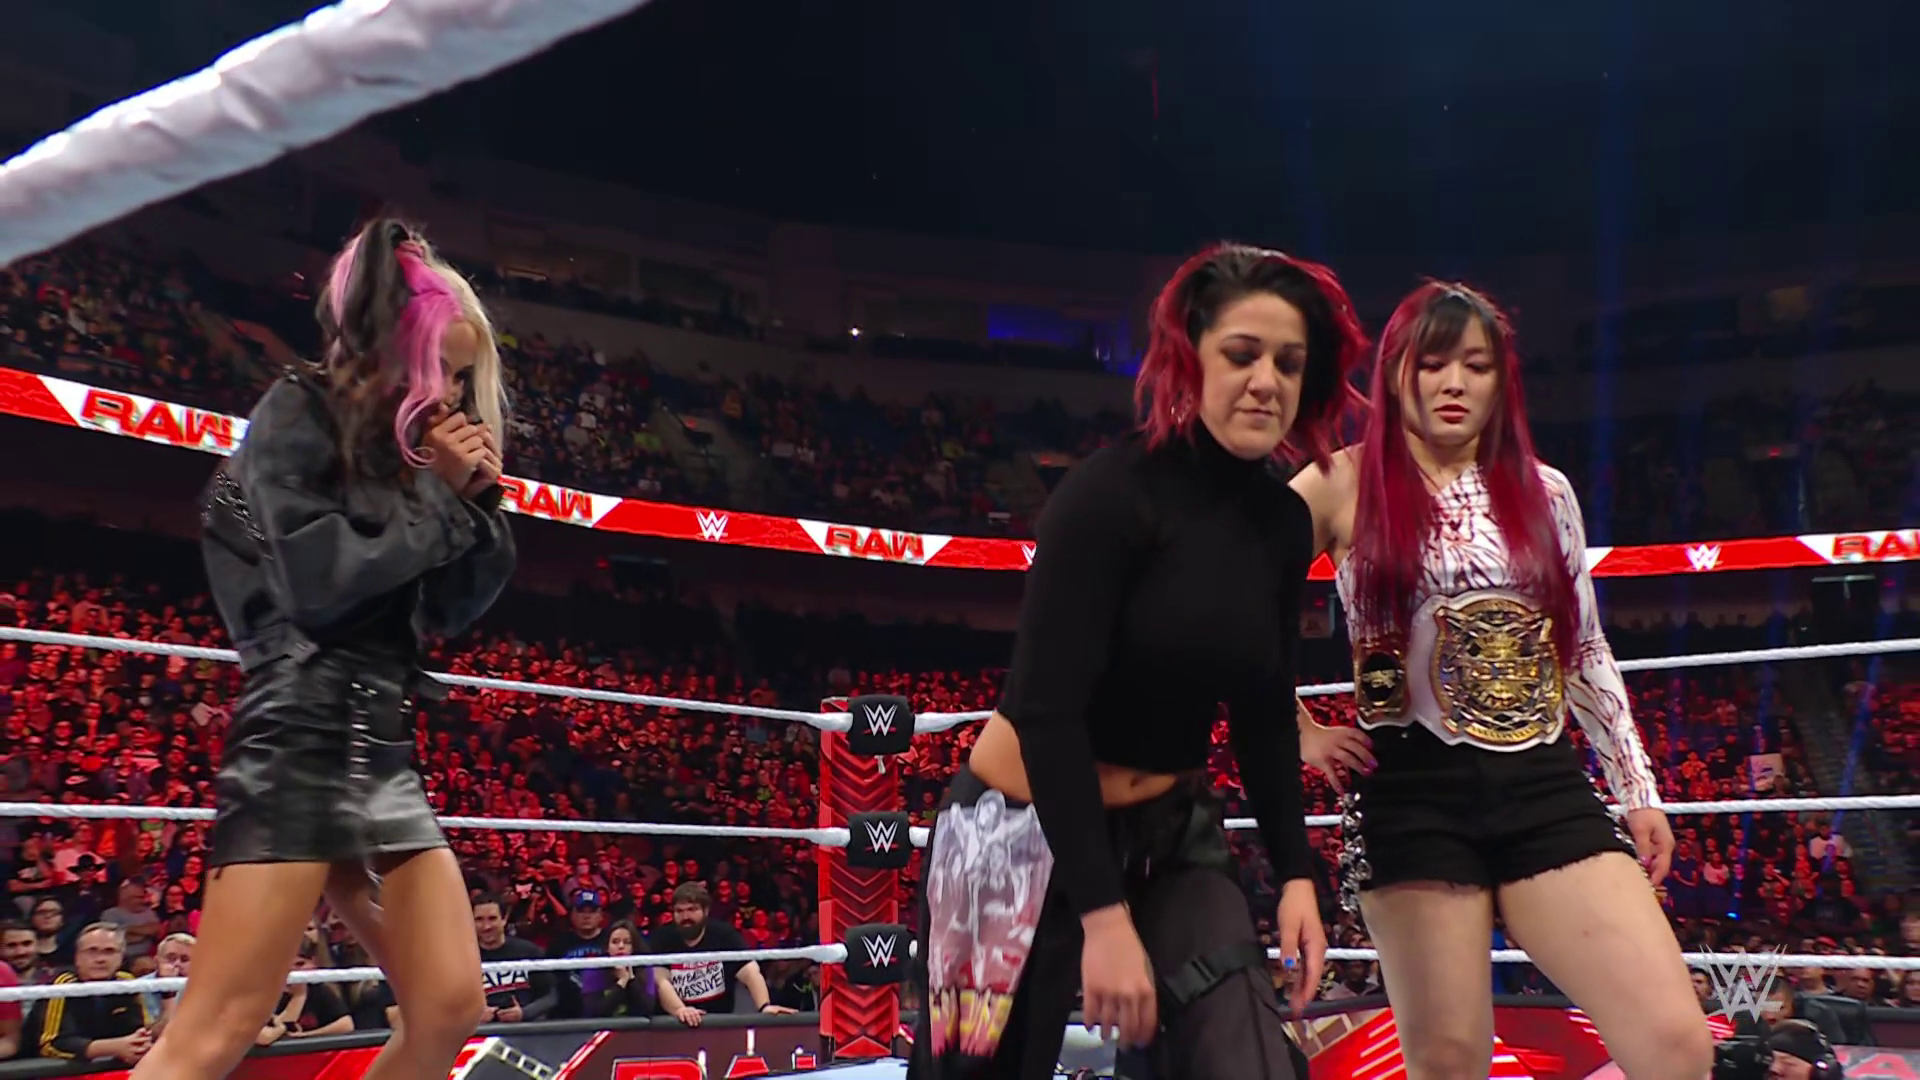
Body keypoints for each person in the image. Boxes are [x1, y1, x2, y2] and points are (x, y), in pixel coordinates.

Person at [908, 243, 1368, 1080]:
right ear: (1191, 359)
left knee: (1246, 1060)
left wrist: (1298, 876)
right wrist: (1104, 917)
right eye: (1242, 354)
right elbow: (1047, 713)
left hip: (1170, 834)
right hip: (1014, 831)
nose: (1266, 381)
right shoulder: (1107, 495)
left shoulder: (1281, 523)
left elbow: (1265, 710)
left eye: (1288, 362)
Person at [1289, 281, 1711, 1080]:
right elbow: (1230, 599)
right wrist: (1297, 730)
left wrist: (1638, 789)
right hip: (1412, 789)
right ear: (1395, 374)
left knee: (1676, 1044)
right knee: (1450, 1062)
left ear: (1500, 380)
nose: (1454, 383)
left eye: (1476, 366)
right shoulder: (1340, 481)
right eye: (1433, 363)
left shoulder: (1546, 491)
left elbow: (1585, 648)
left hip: (1542, 783)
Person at [128, 218, 514, 1080]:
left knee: (450, 1005)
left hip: (382, 743)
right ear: (396, 355)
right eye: (444, 371)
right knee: (217, 1028)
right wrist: (439, 498)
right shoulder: (296, 412)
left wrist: (475, 505)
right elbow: (319, 585)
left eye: (463, 378)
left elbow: (448, 609)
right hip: (300, 738)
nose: (454, 395)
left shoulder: (407, 453)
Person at [650, 882, 796, 1024]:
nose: (685, 917)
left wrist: (764, 1006)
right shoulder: (662, 937)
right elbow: (660, 980)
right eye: (679, 911)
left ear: (705, 911)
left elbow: (750, 971)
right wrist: (681, 1010)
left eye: (692, 909)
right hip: (674, 1023)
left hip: (719, 1021)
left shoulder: (724, 934)